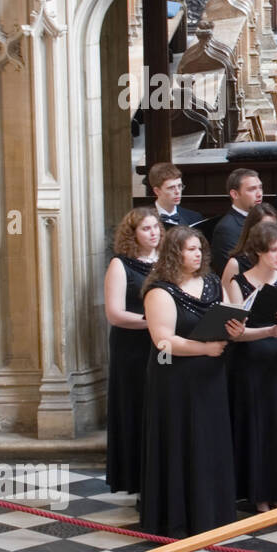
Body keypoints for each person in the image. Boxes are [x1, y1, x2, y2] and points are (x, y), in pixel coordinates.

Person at [140, 226, 244, 536]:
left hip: (210, 377)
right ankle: (179, 520)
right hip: (174, 380)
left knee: (210, 442)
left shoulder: (213, 282)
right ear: (175, 253)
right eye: (189, 249)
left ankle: (214, 514)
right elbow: (163, 342)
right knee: (182, 441)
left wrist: (234, 332)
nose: (197, 254)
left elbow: (227, 318)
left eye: (199, 248)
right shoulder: (160, 290)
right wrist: (206, 349)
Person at [225, 221, 277, 512]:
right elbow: (235, 333)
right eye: (274, 250)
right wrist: (268, 332)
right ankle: (258, 495)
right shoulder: (239, 283)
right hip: (252, 361)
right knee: (258, 424)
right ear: (259, 251)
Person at [103, 207, 161, 494]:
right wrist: (152, 322)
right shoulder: (120, 264)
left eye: (156, 227)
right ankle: (135, 478)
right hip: (132, 347)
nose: (154, 233)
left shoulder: (165, 262)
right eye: (146, 229)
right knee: (135, 406)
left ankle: (157, 475)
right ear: (132, 234)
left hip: (160, 344)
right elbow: (114, 314)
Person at [209, 168, 264, 273]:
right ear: (235, 194)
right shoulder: (226, 229)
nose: (259, 194)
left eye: (260, 188)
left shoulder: (264, 219)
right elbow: (238, 268)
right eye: (252, 189)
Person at [219, 203, 277, 292]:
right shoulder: (236, 264)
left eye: (275, 227)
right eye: (265, 228)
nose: (271, 233)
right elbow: (226, 301)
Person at [146, 162, 202, 228]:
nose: (177, 191)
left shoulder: (194, 218)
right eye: (171, 188)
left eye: (179, 186)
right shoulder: (143, 218)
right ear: (157, 191)